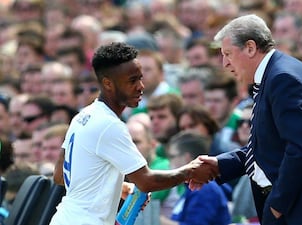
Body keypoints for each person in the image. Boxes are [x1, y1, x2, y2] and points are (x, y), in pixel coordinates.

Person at [190, 14, 302, 225]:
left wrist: (277, 205)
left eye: (228, 54)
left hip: (301, 211)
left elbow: (301, 150)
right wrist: (219, 164)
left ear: (250, 48)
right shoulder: (279, 73)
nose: (225, 63)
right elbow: (270, 146)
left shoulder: (282, 79)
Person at [50, 42, 212, 225]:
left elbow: (59, 174)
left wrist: (116, 187)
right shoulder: (109, 125)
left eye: (140, 78)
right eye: (132, 81)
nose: (141, 86)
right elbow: (146, 182)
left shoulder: (83, 116)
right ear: (108, 84)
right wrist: (190, 171)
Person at [165, 131, 231, 225]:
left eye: (172, 156)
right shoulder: (192, 187)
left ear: (186, 157)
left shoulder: (205, 188)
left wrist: (159, 220)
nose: (169, 162)